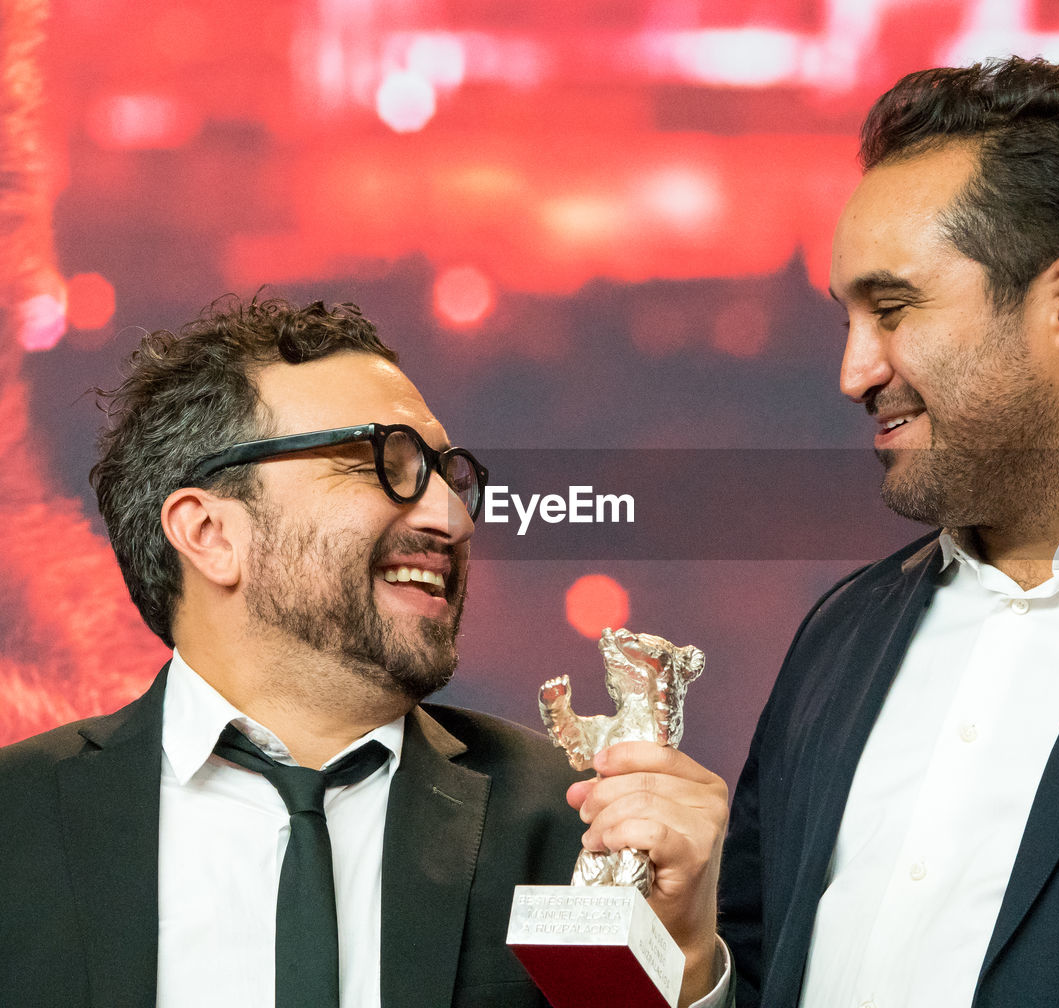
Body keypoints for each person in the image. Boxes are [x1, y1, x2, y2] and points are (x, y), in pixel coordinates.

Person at [719, 55, 1059, 1007]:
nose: (854, 372)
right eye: (848, 320)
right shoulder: (839, 639)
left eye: (892, 310)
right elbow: (760, 962)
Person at [0, 296, 729, 1008]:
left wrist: (684, 964)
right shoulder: (18, 820)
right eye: (383, 461)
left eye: (451, 476)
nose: (452, 518)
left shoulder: (574, 823)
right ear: (210, 533)